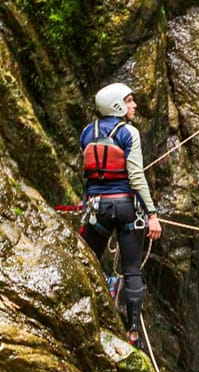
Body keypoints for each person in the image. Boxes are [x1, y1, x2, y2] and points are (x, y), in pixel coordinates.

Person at [78, 82, 163, 348]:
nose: (134, 105)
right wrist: (152, 214)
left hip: (97, 209)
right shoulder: (129, 133)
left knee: (87, 259)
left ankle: (90, 308)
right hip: (126, 209)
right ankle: (133, 332)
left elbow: (90, 171)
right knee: (132, 269)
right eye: (129, 101)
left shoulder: (86, 132)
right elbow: (136, 176)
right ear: (116, 104)